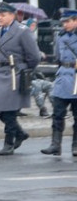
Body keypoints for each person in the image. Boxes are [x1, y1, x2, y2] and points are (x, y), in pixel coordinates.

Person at [0, 2, 42, 155]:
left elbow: (34, 56)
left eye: (3, 15)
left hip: (15, 74)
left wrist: (24, 70)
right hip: (1, 72)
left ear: (12, 16)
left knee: (10, 111)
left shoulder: (22, 31)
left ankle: (9, 142)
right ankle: (20, 133)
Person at [41, 8, 77, 156]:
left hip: (76, 79)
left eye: (68, 22)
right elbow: (57, 56)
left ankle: (75, 146)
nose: (65, 25)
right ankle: (55, 144)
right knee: (57, 114)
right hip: (63, 77)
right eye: (63, 22)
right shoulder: (61, 37)